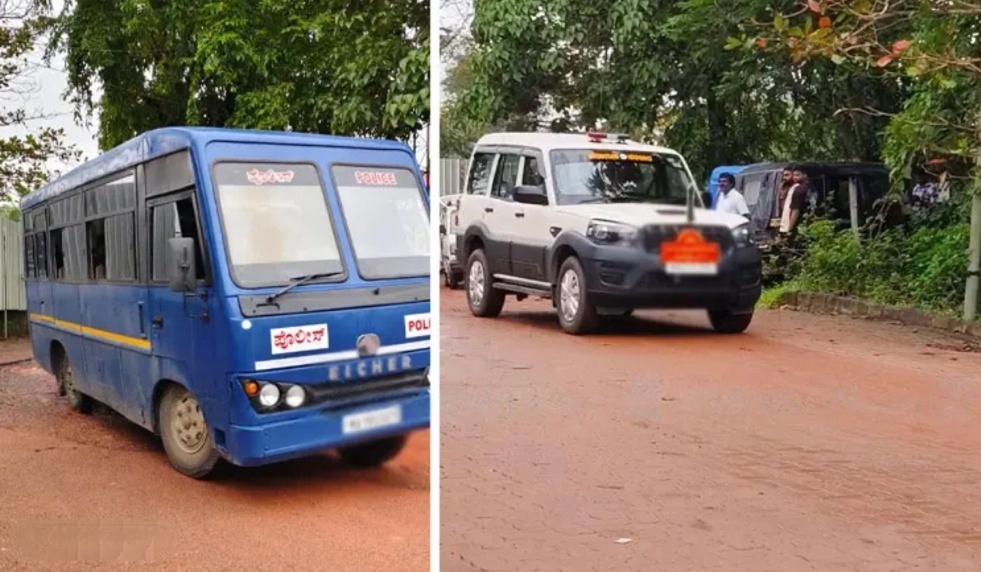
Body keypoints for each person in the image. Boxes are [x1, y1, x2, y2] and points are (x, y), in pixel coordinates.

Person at [780, 166, 809, 236]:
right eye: (793, 175)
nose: (794, 177)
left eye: (797, 175)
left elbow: (795, 210)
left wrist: (790, 228)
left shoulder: (799, 189)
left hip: (798, 224)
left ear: (804, 175)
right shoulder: (794, 187)